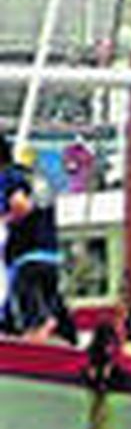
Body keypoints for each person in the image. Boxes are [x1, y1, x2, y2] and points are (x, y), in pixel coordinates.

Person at [1, 140, 76, 344]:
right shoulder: (34, 176)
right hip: (50, 254)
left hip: (26, 257)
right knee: (52, 307)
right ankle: (67, 338)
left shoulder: (8, 177)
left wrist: (4, 219)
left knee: (35, 321)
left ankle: (37, 335)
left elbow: (20, 205)